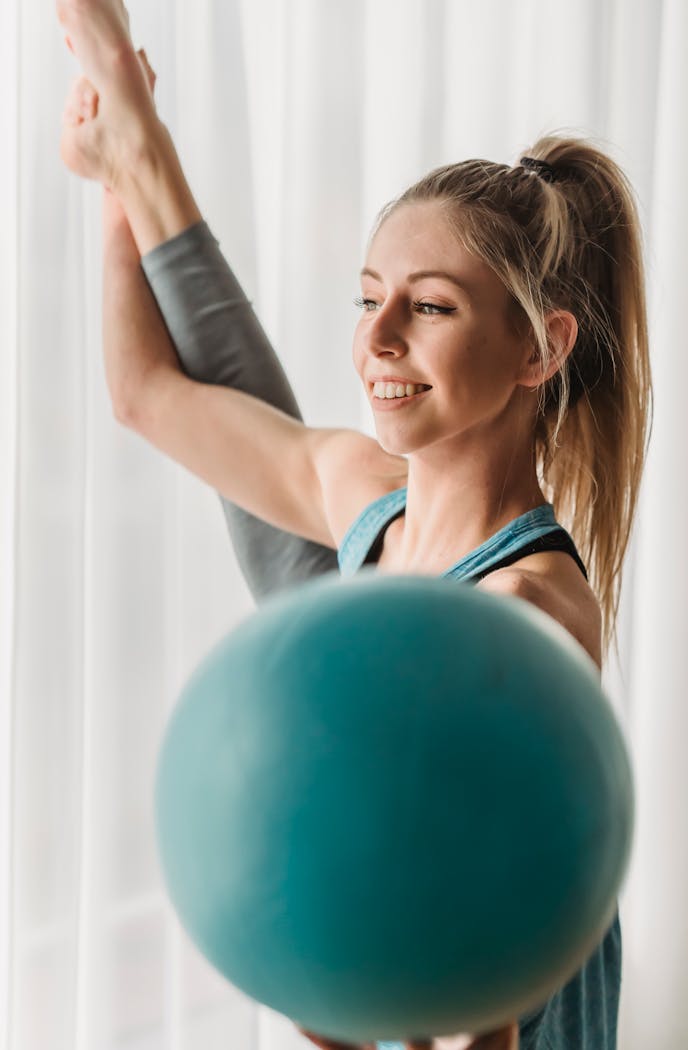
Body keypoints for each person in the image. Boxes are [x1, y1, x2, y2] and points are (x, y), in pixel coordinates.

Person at [57, 2, 652, 1047]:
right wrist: (116, 187)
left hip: (467, 1014)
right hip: (384, 996)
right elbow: (148, 392)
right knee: (286, 505)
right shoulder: (360, 492)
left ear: (539, 349)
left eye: (427, 307)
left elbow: (486, 998)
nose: (376, 336)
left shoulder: (529, 613)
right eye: (367, 297)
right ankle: (145, 155)